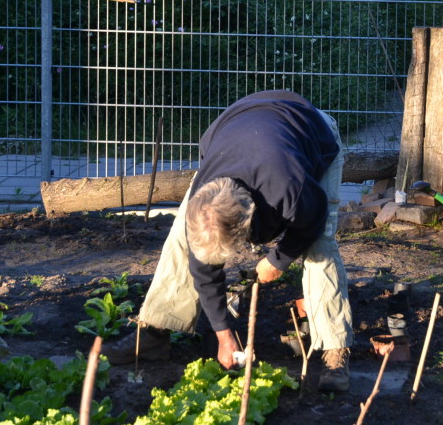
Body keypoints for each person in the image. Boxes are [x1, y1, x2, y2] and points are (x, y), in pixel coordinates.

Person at [103, 90, 354, 392]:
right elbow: (204, 268)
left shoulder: (290, 188)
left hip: (310, 130)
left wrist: (279, 259)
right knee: (182, 241)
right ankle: (155, 331)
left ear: (247, 224)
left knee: (319, 249)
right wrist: (225, 335)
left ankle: (335, 350)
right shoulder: (205, 196)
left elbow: (313, 219)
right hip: (237, 131)